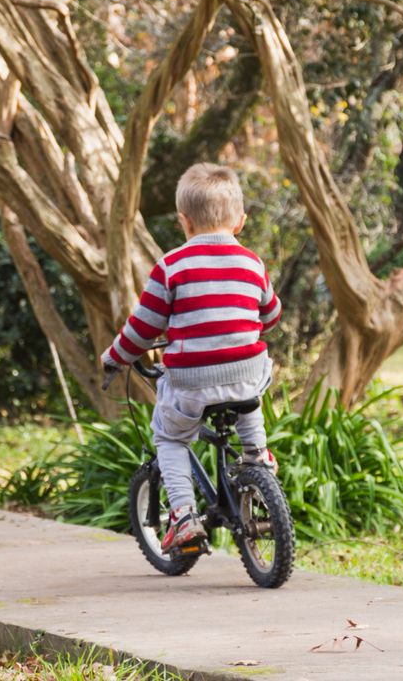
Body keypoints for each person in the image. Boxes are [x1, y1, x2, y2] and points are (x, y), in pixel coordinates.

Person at [101, 163, 281, 553]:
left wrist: (115, 357)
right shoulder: (253, 264)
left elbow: (143, 328)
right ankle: (257, 455)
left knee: (169, 436)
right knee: (249, 386)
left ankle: (182, 516)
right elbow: (271, 315)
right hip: (245, 373)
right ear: (240, 222)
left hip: (191, 381)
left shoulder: (171, 267)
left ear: (183, 221)